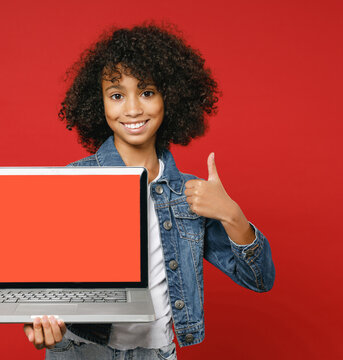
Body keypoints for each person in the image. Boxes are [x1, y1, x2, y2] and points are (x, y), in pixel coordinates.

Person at [23, 22, 275, 359]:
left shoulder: (190, 195)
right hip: (82, 350)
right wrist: (35, 325)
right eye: (116, 95)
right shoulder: (71, 181)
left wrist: (231, 214)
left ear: (169, 97)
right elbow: (36, 282)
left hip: (155, 353)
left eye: (147, 92)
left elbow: (259, 279)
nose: (132, 109)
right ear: (99, 104)